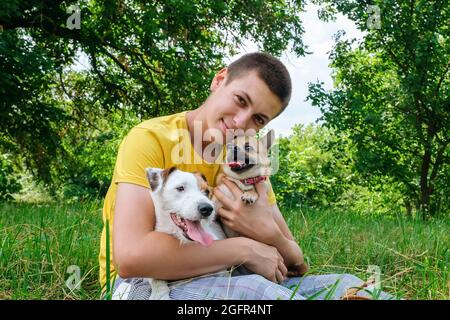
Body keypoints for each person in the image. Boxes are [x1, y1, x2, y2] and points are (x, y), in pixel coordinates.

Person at [99, 52, 393, 300]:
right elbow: (131, 257)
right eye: (240, 100)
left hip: (233, 276)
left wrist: (268, 234)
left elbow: (295, 264)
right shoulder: (150, 139)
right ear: (219, 80)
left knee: (350, 285)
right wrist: (243, 249)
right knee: (258, 290)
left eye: (258, 119)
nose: (241, 122)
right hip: (147, 286)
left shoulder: (244, 163)